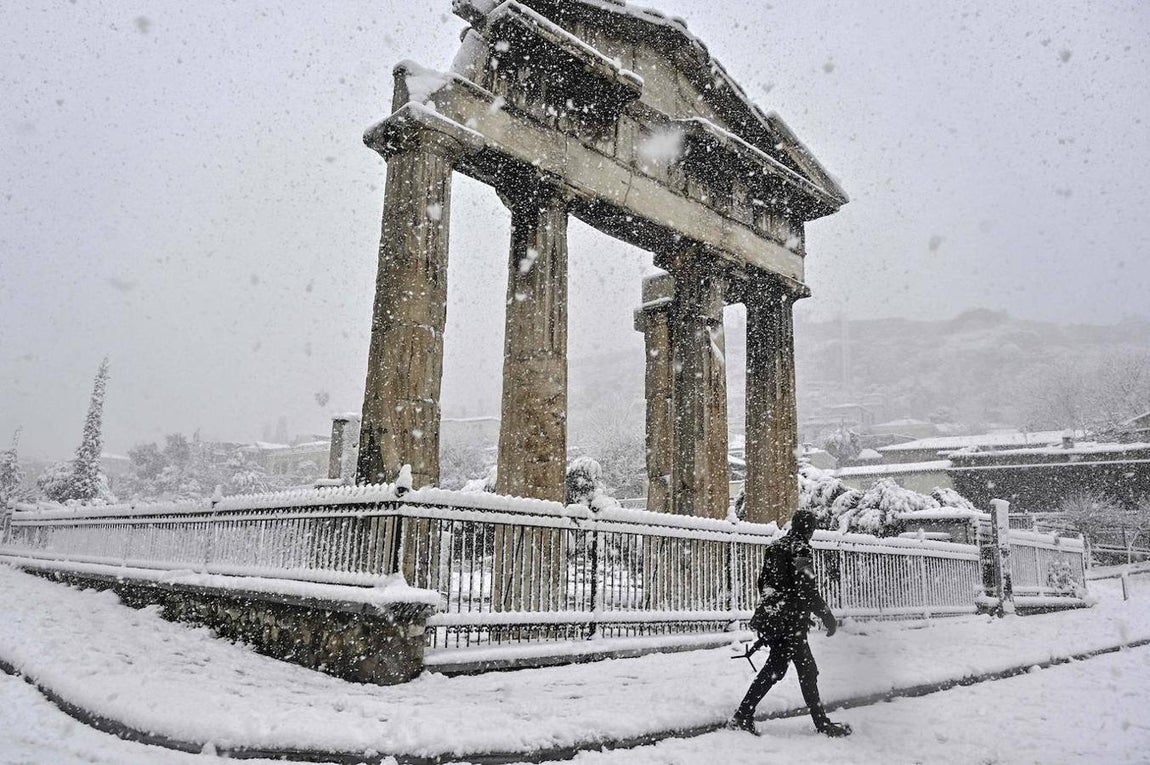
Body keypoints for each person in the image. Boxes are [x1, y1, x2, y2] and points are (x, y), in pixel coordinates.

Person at [728, 508, 852, 737]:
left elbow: (762, 583)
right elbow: (806, 588)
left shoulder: (775, 547)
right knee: (806, 670)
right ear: (809, 528)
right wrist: (826, 614)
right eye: (812, 528)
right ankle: (821, 724)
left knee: (778, 668)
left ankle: (743, 715)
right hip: (790, 623)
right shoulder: (800, 548)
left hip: (774, 619)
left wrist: (774, 605)